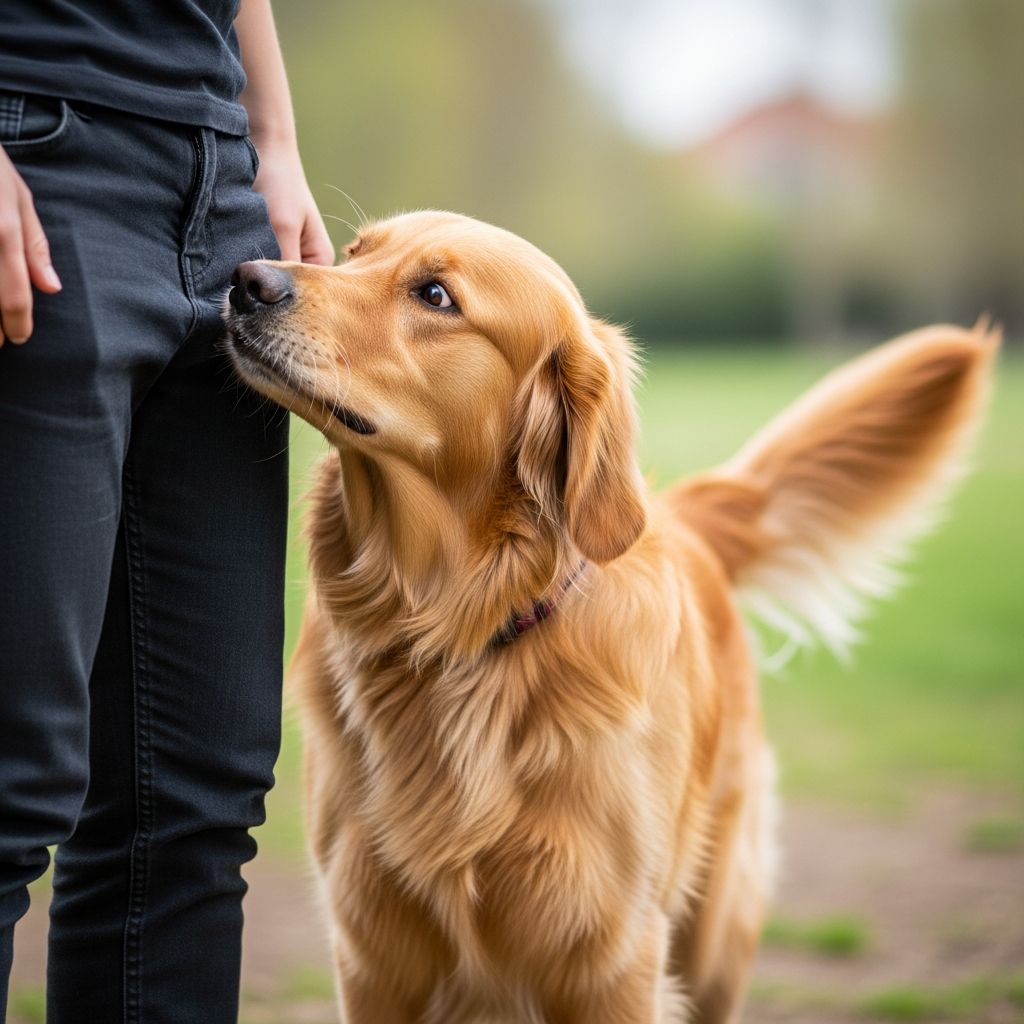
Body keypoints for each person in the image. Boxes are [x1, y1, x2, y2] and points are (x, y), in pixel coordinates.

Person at [0, 2, 333, 1020]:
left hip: (221, 183)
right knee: (11, 776)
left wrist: (270, 138)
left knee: (194, 798)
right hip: (36, 158)